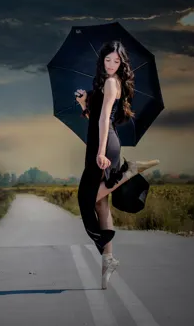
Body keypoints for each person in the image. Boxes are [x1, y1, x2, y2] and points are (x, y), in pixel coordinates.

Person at [74, 40, 159, 289]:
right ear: (102, 61)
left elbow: (104, 120)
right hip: (98, 142)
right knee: (100, 203)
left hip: (104, 144)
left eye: (116, 61)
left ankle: (128, 172)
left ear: (122, 64)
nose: (111, 65)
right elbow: (96, 117)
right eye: (108, 60)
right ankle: (108, 259)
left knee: (87, 198)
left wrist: (101, 153)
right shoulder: (105, 84)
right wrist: (84, 105)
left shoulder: (111, 83)